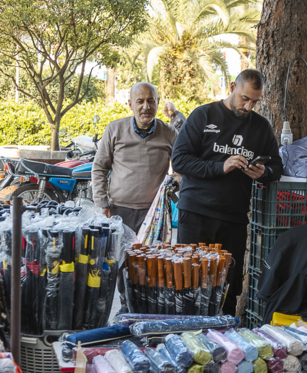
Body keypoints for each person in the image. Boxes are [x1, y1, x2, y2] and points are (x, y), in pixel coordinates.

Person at [171, 69, 283, 315]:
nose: (248, 106)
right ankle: (187, 338)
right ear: (233, 86)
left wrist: (263, 172)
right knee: (191, 280)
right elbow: (179, 160)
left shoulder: (261, 127)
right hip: (196, 212)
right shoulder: (204, 115)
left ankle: (226, 338)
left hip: (234, 218)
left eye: (255, 101)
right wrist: (220, 166)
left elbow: (277, 166)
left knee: (228, 286)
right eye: (245, 98)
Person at [91, 82, 177, 306]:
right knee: (122, 265)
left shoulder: (169, 133)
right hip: (121, 212)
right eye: (140, 101)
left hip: (155, 215)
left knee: (152, 266)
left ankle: (148, 308)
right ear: (130, 104)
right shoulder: (114, 129)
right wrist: (102, 204)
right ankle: (126, 306)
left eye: (151, 101)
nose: (145, 106)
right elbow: (99, 167)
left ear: (158, 103)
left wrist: (176, 183)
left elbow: (181, 169)